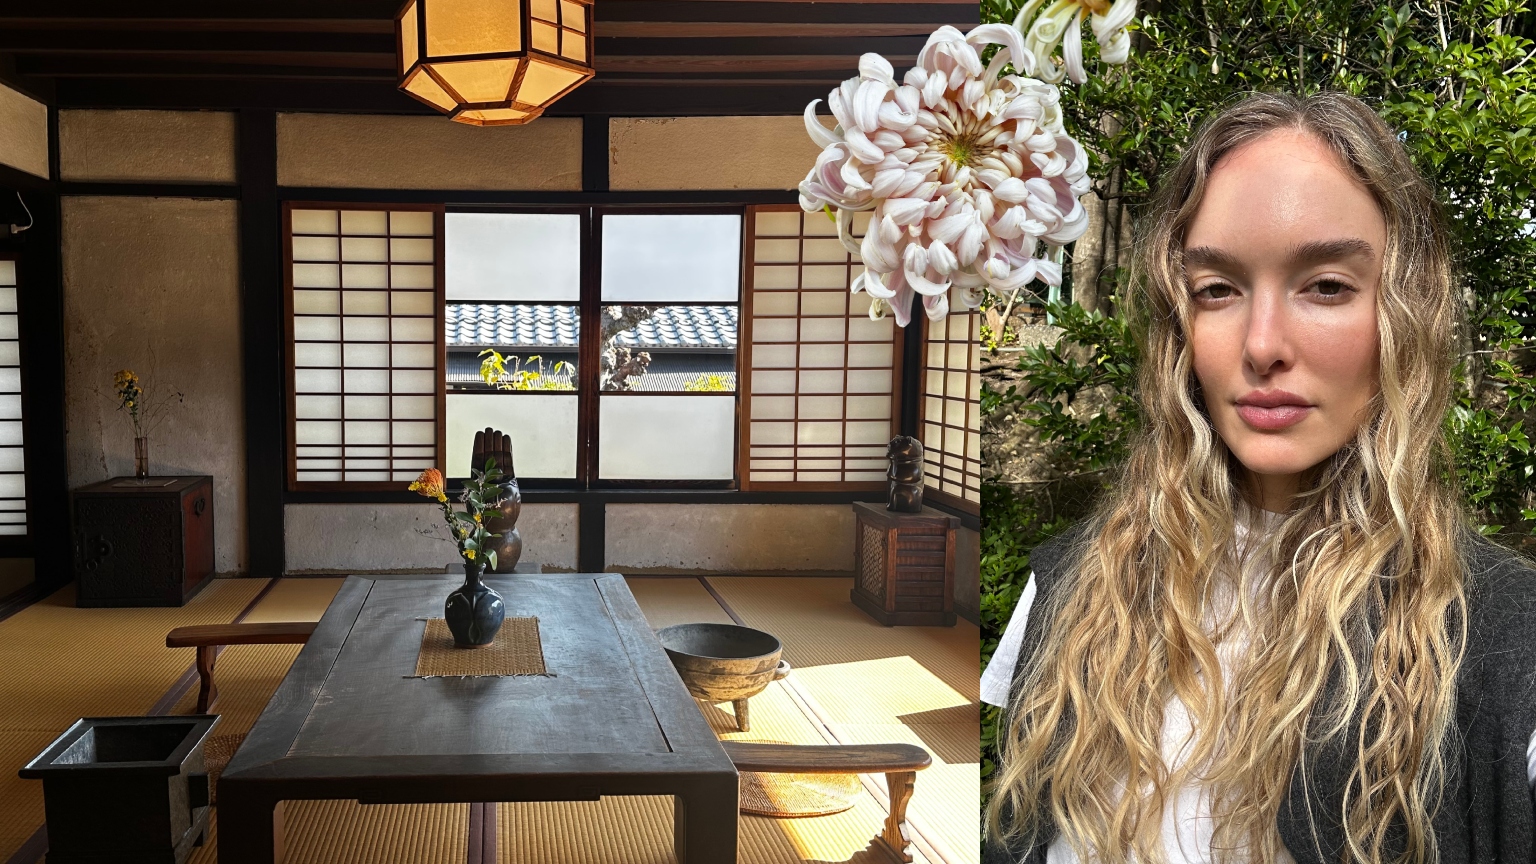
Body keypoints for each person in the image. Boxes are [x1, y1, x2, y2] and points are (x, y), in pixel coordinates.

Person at [981, 90, 1536, 864]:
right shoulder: (1072, 587)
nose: (1262, 344)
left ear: (1404, 309)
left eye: (1327, 286)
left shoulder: (1502, 640)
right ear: (1182, 325)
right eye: (1218, 290)